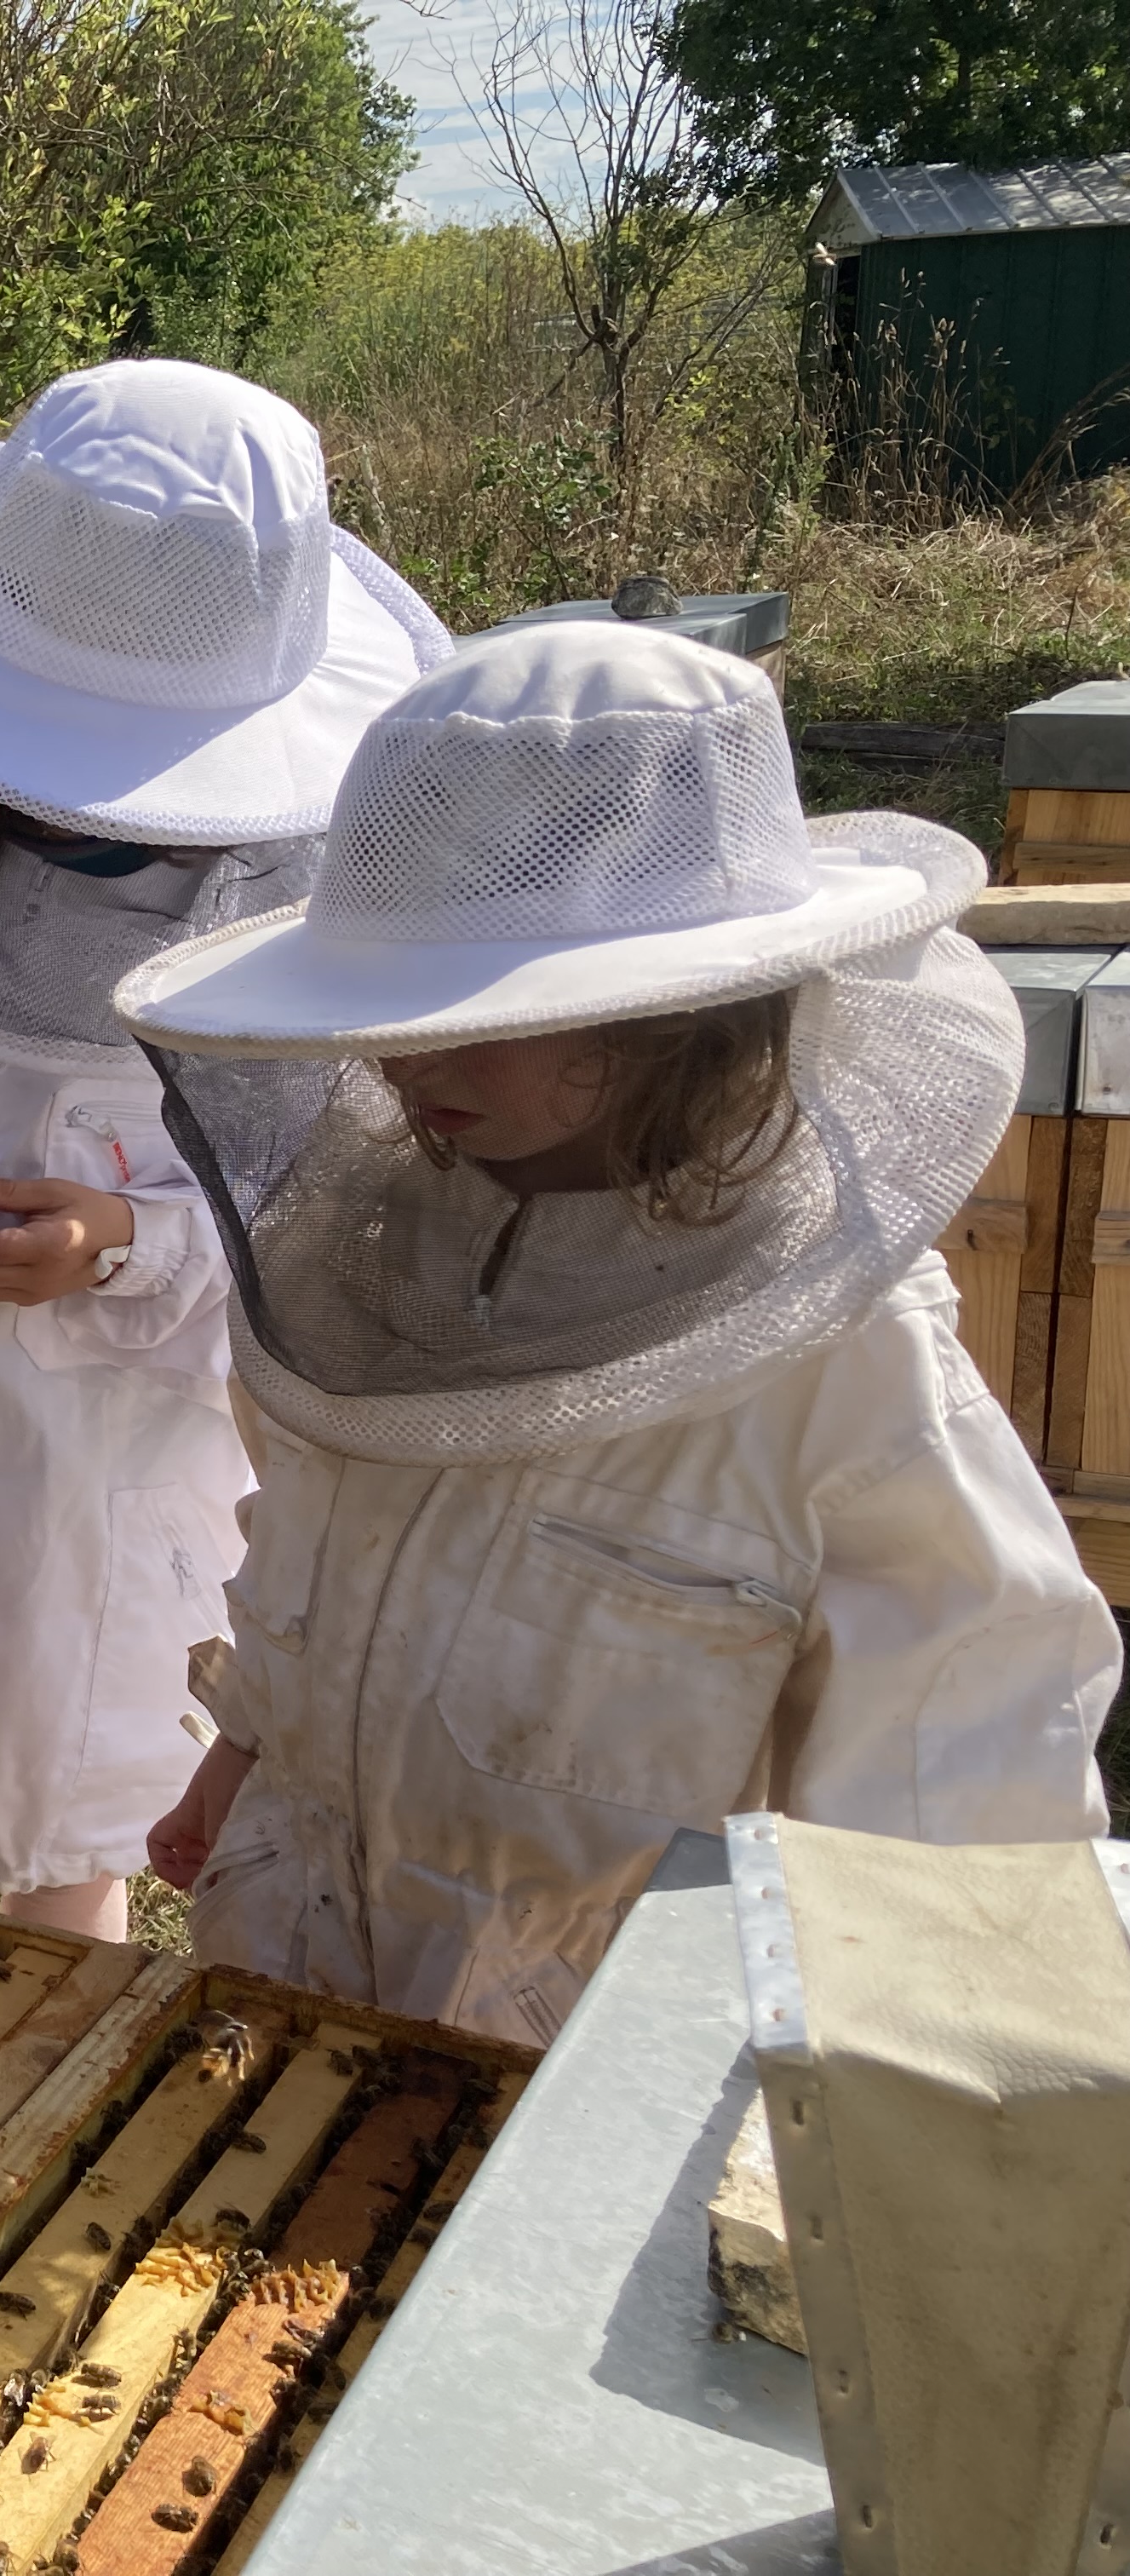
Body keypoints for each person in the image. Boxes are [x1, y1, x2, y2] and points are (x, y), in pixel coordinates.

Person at [122, 622, 1116, 2045]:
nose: (414, 1061)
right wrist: (247, 1751)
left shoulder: (853, 1378)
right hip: (295, 1985)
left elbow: (959, 1828)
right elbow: (315, 1550)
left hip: (597, 2083)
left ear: (686, 1012)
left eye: (489, 1011)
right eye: (394, 1006)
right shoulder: (369, 1262)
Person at [0, 360, 451, 1941]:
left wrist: (125, 1242)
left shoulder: (287, 935)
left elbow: (320, 1218)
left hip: (101, 1484)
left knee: (65, 1839)